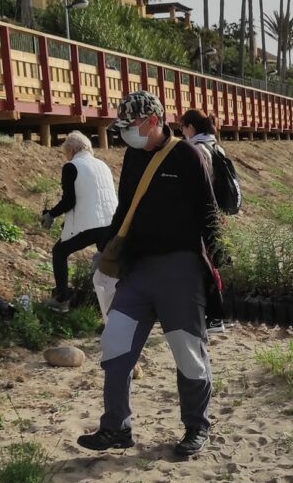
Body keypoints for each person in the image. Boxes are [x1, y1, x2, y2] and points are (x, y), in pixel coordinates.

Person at [78, 91, 223, 457]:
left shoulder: (188, 155)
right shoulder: (132, 156)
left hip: (180, 271)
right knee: (115, 344)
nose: (124, 134)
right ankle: (116, 427)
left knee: (188, 353)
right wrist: (107, 247)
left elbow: (208, 212)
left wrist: (222, 260)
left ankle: (196, 426)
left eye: (130, 126)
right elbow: (125, 207)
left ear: (154, 121)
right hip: (138, 270)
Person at [39, 131, 118, 312]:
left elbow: (69, 201)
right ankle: (108, 304)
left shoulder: (71, 167)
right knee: (105, 264)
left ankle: (61, 299)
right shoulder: (102, 164)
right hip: (111, 223)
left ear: (72, 150)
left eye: (66, 152)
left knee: (59, 251)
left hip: (90, 224)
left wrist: (51, 214)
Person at [181, 109, 230, 334]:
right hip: (217, 212)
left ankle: (216, 316)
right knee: (215, 261)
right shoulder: (215, 145)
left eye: (182, 127)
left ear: (190, 127)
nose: (182, 132)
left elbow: (197, 185)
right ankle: (223, 312)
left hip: (203, 214)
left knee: (206, 265)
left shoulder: (198, 149)